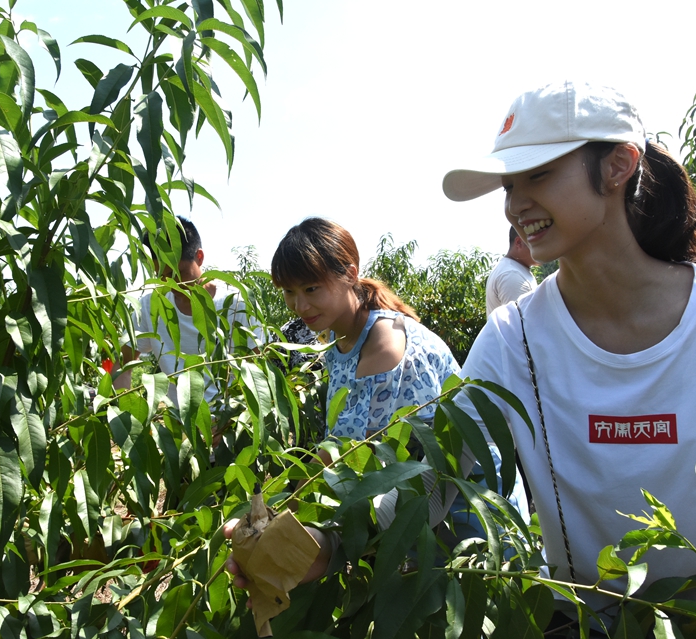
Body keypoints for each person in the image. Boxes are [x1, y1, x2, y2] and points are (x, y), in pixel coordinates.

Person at [441, 81, 696, 639]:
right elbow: (434, 474)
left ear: (617, 166)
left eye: (537, 176)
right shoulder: (514, 340)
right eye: (509, 186)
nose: (515, 205)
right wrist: (324, 538)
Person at [225, 217, 528, 583]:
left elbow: (353, 455)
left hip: (467, 514)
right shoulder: (341, 343)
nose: (299, 305)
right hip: (418, 511)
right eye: (289, 292)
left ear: (350, 274)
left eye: (310, 288)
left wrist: (281, 511)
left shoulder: (383, 342)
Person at [114, 216, 261, 406]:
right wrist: (124, 411)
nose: (171, 284)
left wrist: (230, 420)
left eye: (178, 274)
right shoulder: (150, 306)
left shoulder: (235, 304)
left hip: (228, 425)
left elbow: (256, 371)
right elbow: (123, 364)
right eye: (162, 276)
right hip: (176, 424)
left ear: (199, 258)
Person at [486, 225, 538, 315]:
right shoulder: (512, 275)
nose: (544, 246)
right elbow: (522, 326)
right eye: (536, 241)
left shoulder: (513, 269)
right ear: (518, 243)